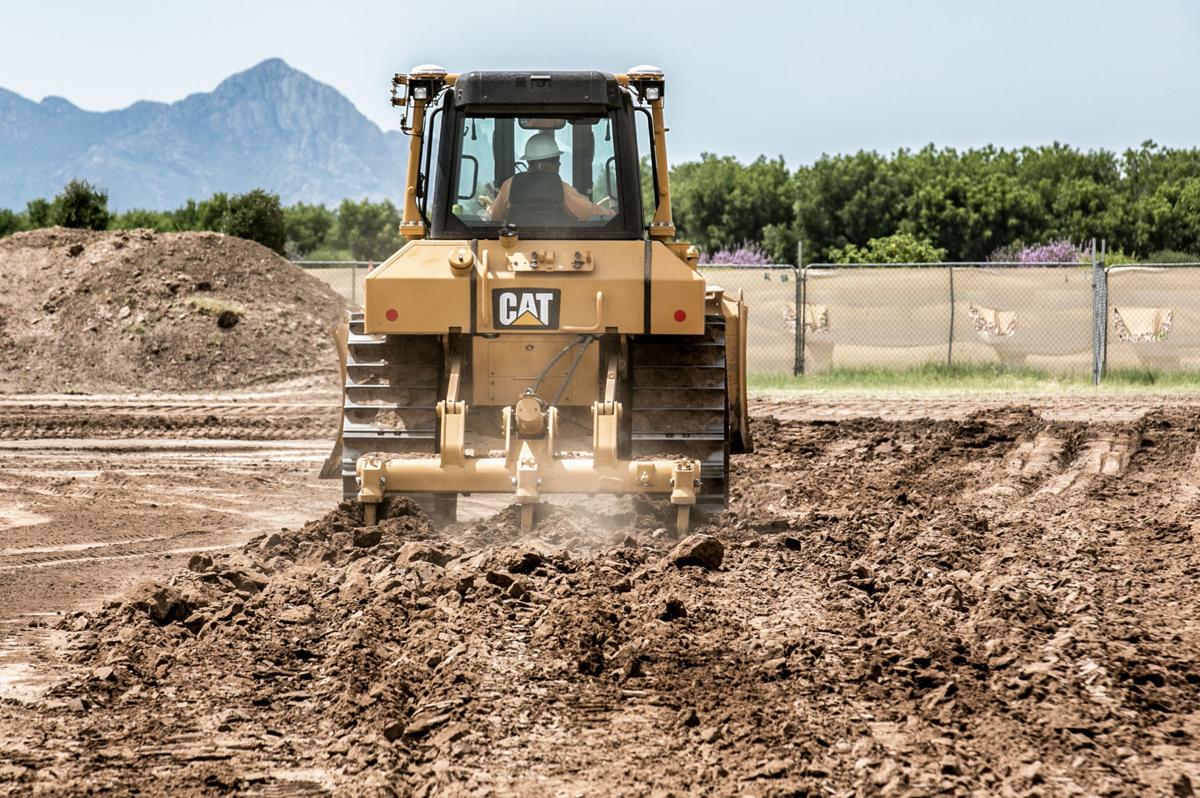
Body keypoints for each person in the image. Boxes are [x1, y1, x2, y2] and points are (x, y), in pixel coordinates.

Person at [488, 132, 615, 222]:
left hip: (514, 247)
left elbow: (495, 217)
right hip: (561, 246)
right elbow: (588, 213)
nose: (559, 164)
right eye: (555, 160)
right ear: (539, 163)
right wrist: (612, 213)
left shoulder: (509, 185)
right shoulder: (561, 188)